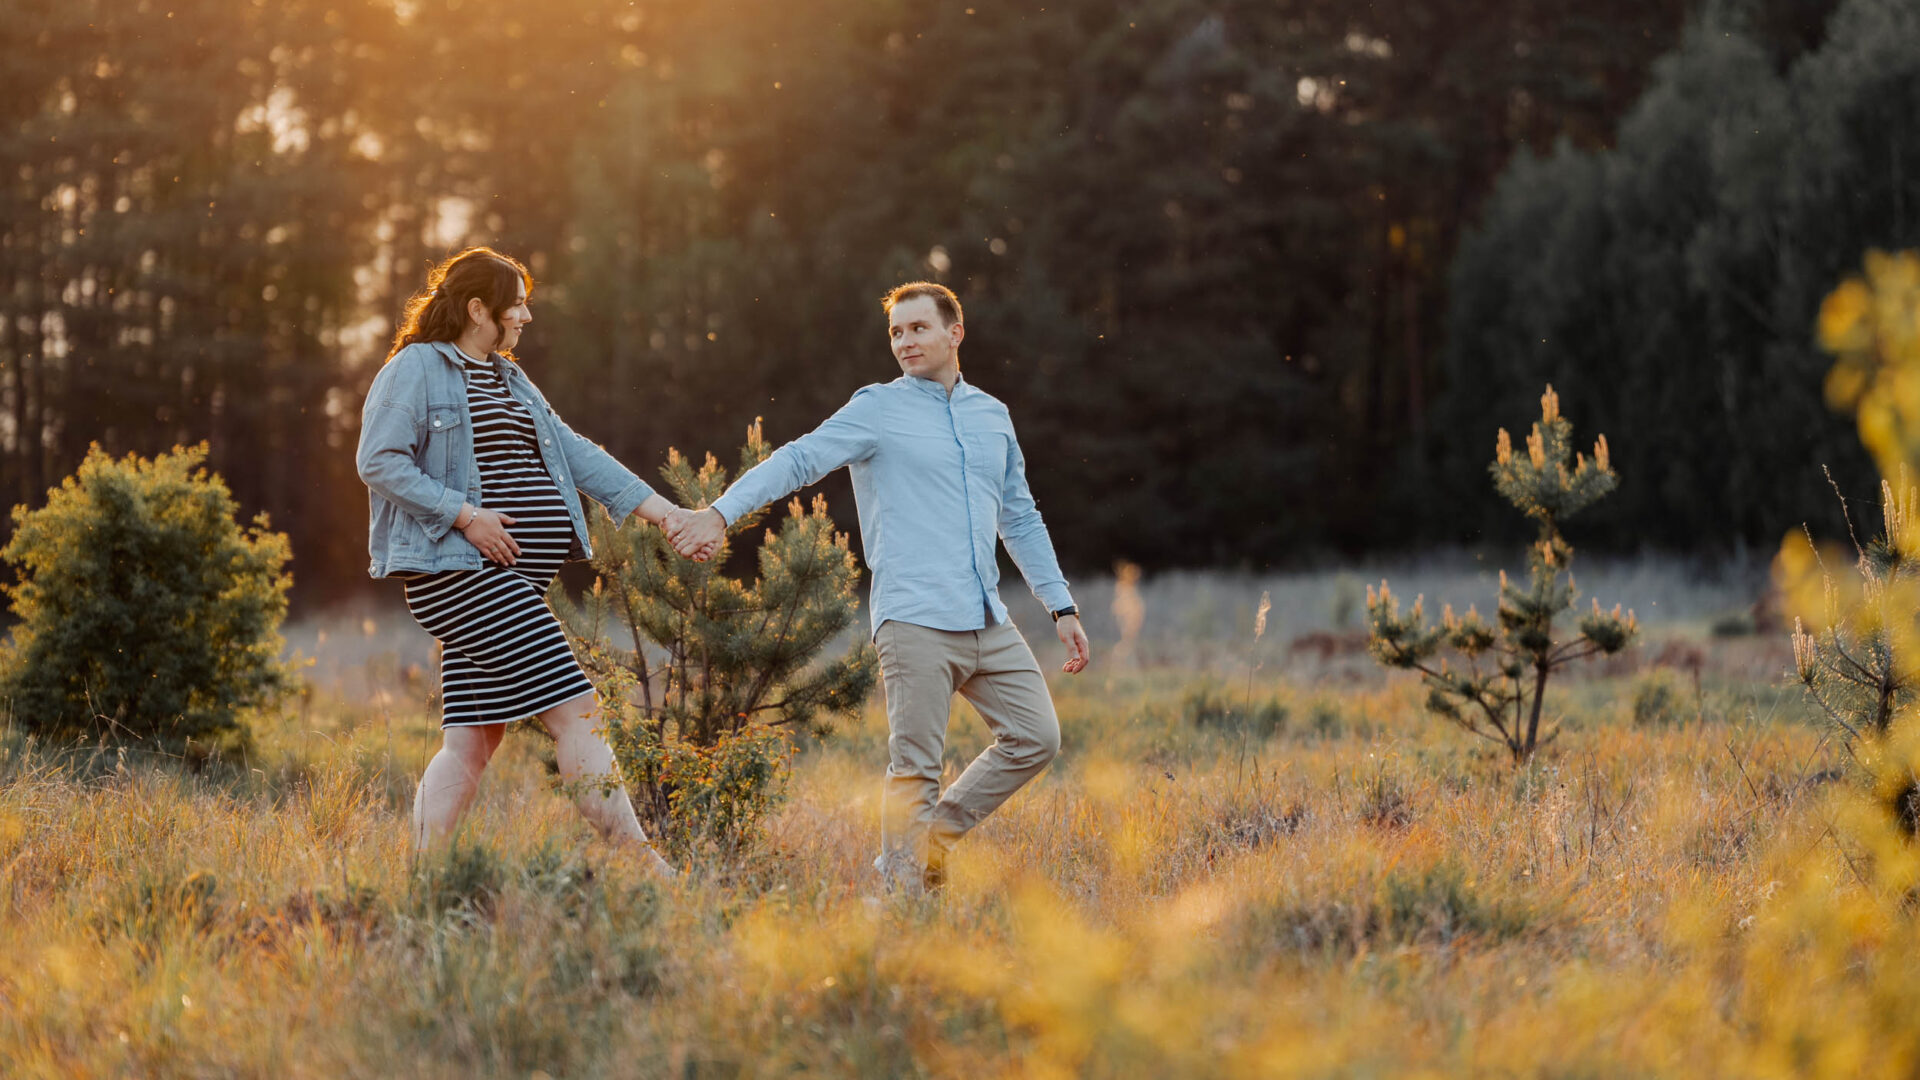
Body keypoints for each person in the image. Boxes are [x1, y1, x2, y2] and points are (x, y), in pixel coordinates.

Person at [665, 281, 1090, 896]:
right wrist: (720, 513)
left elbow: (1019, 517)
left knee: (1036, 738)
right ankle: (899, 900)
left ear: (955, 333)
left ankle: (933, 838)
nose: (905, 341)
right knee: (913, 770)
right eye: (896, 331)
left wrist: (1061, 604)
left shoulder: (992, 417)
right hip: (914, 619)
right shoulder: (877, 409)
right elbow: (797, 459)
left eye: (918, 328)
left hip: (986, 618)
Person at [356, 246, 677, 877]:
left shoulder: (508, 378)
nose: (527, 316)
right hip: (462, 577)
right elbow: (379, 460)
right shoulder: (416, 367)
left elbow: (574, 453)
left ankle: (426, 878)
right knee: (580, 712)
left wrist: (662, 513)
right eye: (517, 303)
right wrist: (465, 515)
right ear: (479, 309)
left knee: (472, 741)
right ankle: (647, 870)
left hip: (503, 580)